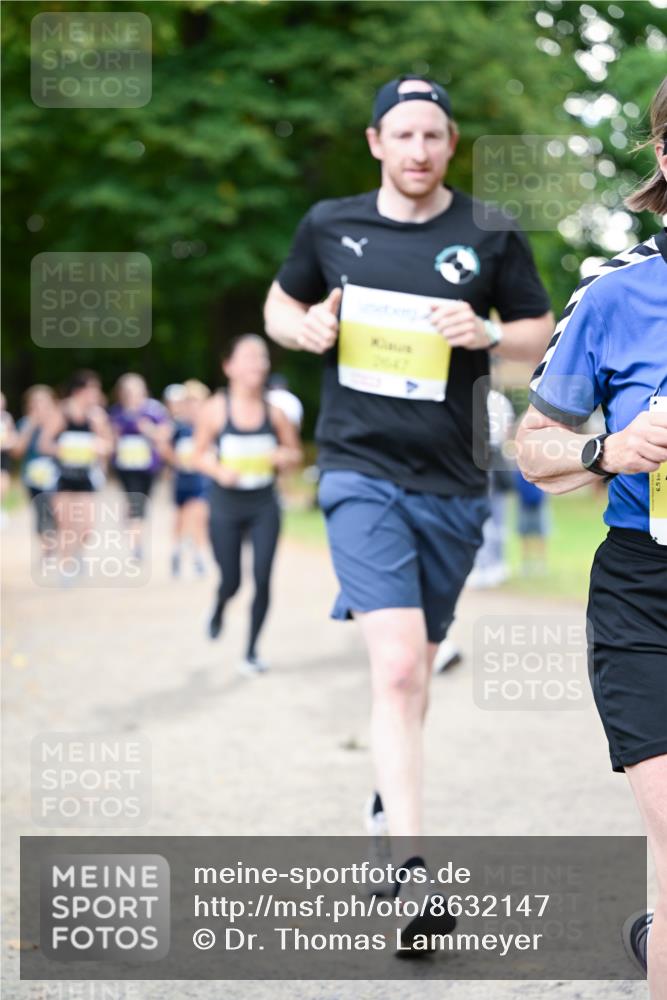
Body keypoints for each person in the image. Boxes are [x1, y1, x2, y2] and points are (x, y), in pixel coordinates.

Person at [264, 74, 553, 948]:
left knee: (414, 674)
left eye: (433, 135)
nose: (418, 150)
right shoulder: (330, 224)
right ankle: (409, 877)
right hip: (358, 469)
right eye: (403, 134)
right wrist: (305, 326)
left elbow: (537, 331)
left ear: (449, 144)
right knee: (393, 670)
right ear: (375, 142)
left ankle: (388, 806)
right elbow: (281, 304)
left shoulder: (488, 231)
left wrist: (488, 336)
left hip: (454, 483)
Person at [516, 77, 667, 991]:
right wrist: (611, 447)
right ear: (664, 157)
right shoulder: (615, 295)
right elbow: (532, 449)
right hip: (645, 594)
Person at [192, 335, 302, 674]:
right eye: (249, 357)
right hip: (225, 506)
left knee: (263, 576)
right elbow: (196, 455)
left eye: (262, 357)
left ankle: (251, 651)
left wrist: (283, 456)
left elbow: (295, 453)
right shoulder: (214, 409)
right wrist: (218, 470)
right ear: (229, 366)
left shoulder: (277, 412)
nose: (258, 364)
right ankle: (220, 605)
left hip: (264, 504)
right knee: (232, 580)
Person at [41, 370, 113, 570]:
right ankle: (66, 565)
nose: (97, 393)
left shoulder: (97, 416)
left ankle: (78, 552)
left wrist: (99, 444)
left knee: (87, 527)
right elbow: (44, 444)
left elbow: (108, 446)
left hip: (86, 477)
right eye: (94, 389)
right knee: (66, 524)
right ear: (80, 390)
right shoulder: (62, 413)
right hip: (62, 476)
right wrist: (64, 449)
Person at [109, 373, 169, 560]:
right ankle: (136, 545)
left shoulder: (154, 410)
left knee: (142, 503)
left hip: (149, 467)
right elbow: (111, 439)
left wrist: (148, 430)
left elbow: (164, 435)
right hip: (126, 467)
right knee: (135, 503)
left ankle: (135, 531)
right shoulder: (117, 412)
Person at [160, 379, 211, 578]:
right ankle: (177, 550)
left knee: (198, 516)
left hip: (201, 479)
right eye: (190, 403)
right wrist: (176, 461)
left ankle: (198, 555)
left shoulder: (206, 427)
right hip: (182, 478)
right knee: (181, 518)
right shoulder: (178, 427)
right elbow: (165, 447)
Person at [12, 385, 59, 551]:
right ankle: (47, 548)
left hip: (56, 474)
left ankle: (58, 541)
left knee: (56, 509)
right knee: (40, 511)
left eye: (43, 403)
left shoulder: (58, 421)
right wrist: (30, 427)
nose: (39, 407)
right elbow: (17, 451)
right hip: (33, 476)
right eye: (35, 403)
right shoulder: (25, 423)